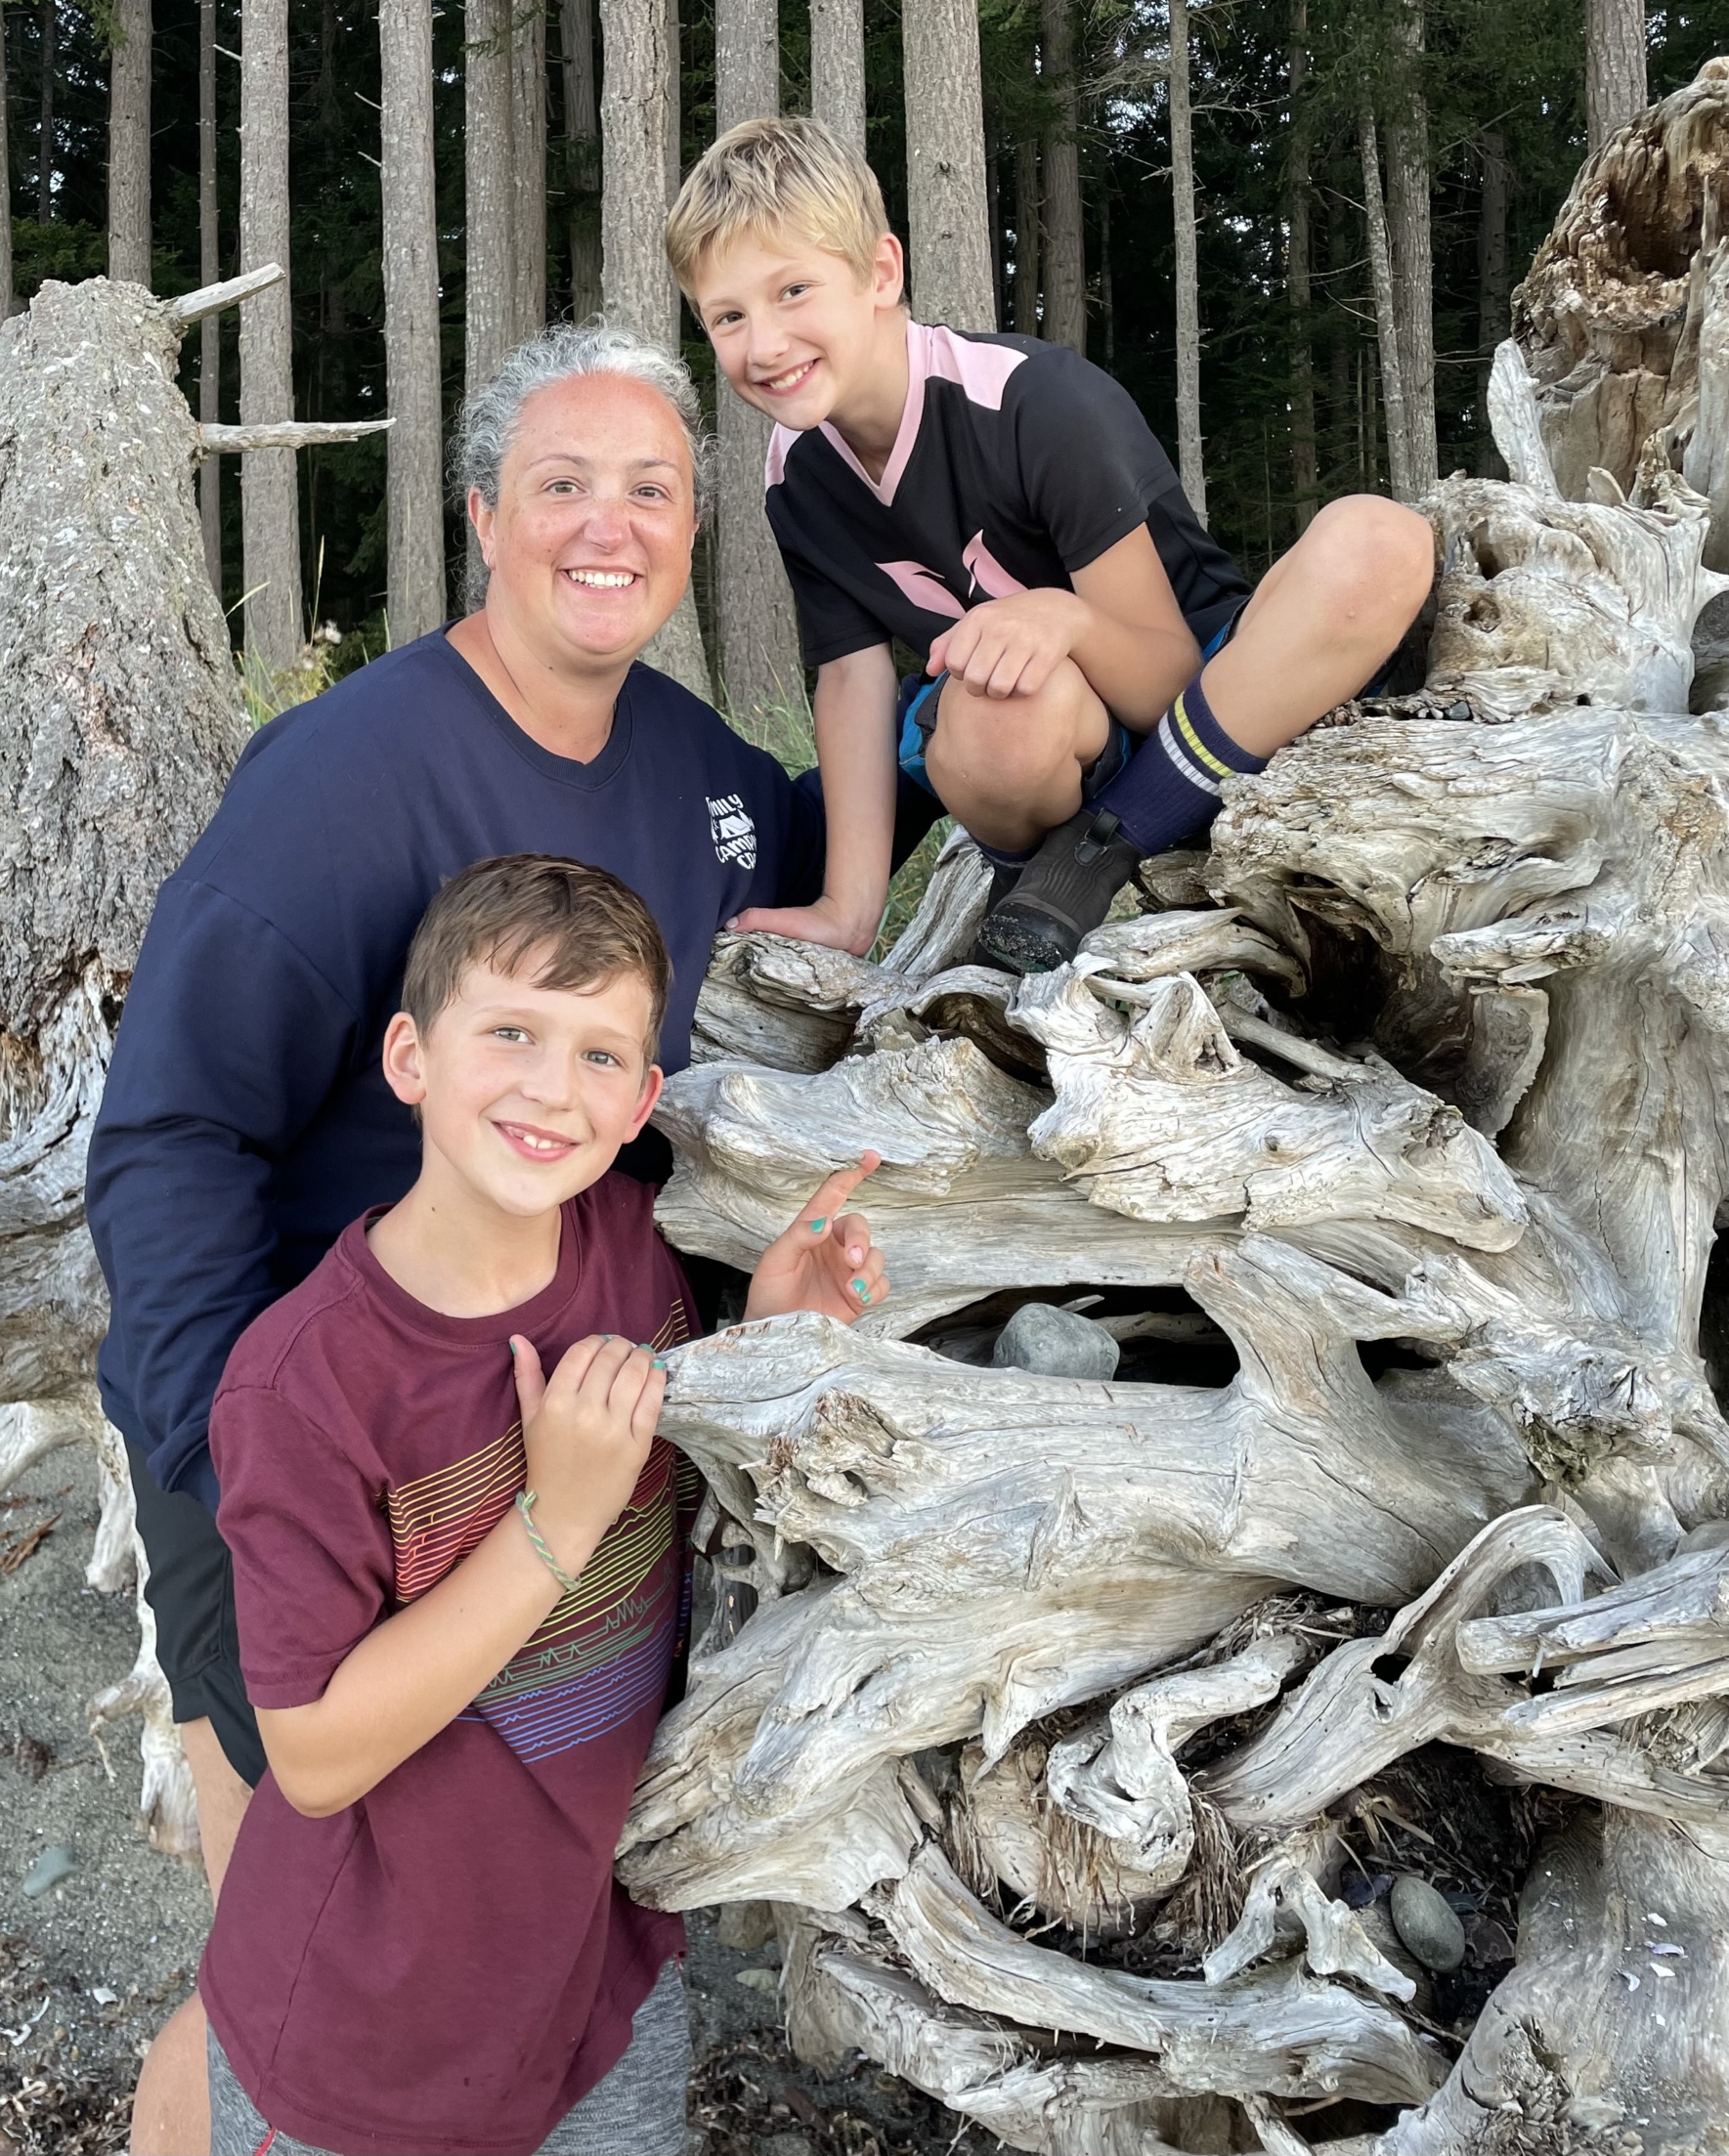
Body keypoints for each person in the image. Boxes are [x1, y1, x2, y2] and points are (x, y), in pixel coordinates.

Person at [86, 325, 838, 2155]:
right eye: (563, 484)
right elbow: (172, 1133)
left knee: (496, 1945)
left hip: (547, 1438)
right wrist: (240, 1469)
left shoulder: (692, 772)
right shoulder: (343, 780)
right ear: (482, 514)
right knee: (290, 1964)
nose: (609, 524)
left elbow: (849, 845)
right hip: (307, 1456)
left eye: (650, 489)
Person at [197, 852, 886, 2156]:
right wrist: (548, 1529)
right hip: (373, 2031)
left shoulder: (634, 1246)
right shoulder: (304, 1384)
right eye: (509, 1031)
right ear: (410, 1056)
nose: (547, 1087)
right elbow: (316, 1752)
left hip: (597, 1971)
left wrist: (771, 1334)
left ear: (641, 1102)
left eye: (595, 1055)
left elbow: (680, 1447)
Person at [666, 116, 1437, 974]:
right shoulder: (793, 474)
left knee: (1380, 539)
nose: (764, 344)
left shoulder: (1032, 402)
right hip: (1045, 740)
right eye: (726, 316)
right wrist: (849, 909)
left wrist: (1063, 617)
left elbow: (1165, 681)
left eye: (793, 291)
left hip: (1212, 689)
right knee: (990, 710)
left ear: (880, 272)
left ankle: (1098, 853)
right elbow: (851, 675)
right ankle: (1027, 882)